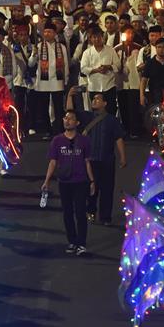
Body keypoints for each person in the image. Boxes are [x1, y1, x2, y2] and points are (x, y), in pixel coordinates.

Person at [65, 88, 126, 226]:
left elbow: (118, 138)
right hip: (90, 160)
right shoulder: (87, 117)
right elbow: (70, 111)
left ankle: (105, 217)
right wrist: (69, 95)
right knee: (91, 188)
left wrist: (123, 156)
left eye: (98, 99)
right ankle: (91, 211)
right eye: (93, 99)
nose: (94, 100)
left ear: (105, 103)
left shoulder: (112, 120)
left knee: (107, 189)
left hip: (107, 159)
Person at [41, 109, 95, 255]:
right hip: (64, 182)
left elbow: (87, 162)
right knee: (67, 213)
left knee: (80, 212)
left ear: (77, 123)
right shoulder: (57, 141)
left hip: (80, 181)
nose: (67, 120)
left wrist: (92, 181)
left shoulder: (84, 141)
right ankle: (72, 241)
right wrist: (46, 181)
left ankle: (81, 243)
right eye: (65, 118)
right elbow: (53, 162)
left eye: (71, 118)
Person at [29, 21, 69, 139]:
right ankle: (47, 130)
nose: (47, 34)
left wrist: (65, 79)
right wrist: (34, 55)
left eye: (49, 32)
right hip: (43, 81)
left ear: (55, 33)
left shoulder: (61, 47)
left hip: (57, 80)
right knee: (44, 107)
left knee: (58, 107)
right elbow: (31, 64)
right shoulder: (39, 46)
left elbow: (65, 64)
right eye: (45, 31)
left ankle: (59, 130)